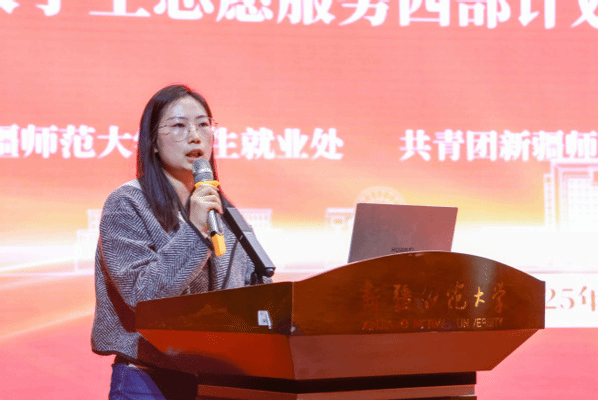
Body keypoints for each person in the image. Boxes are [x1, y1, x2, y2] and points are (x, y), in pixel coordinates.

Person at [91, 84, 268, 399]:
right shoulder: (127, 204)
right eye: (178, 126)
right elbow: (143, 296)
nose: (195, 136)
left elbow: (249, 291)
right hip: (148, 381)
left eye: (203, 124)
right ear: (153, 142)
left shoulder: (221, 209)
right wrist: (197, 232)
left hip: (216, 381)